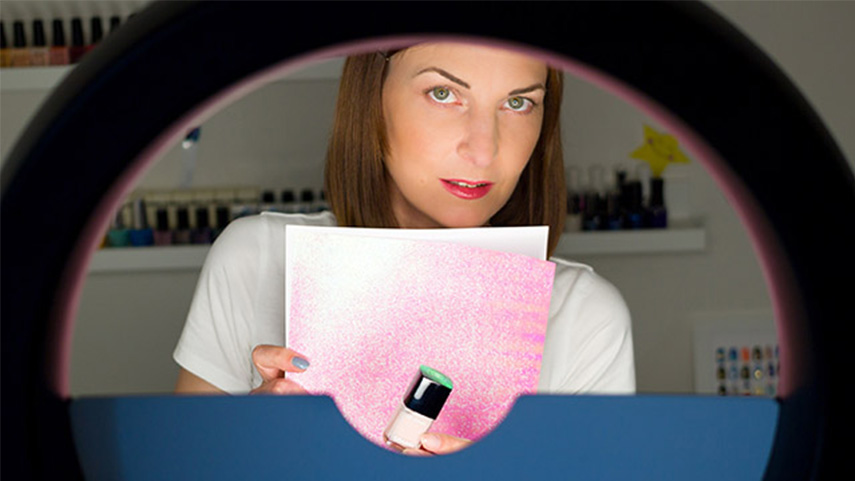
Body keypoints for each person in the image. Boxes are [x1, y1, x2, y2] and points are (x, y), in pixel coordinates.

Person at [173, 41, 635, 456]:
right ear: (372, 97)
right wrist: (248, 441)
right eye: (443, 93)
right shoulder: (255, 259)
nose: (483, 150)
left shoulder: (585, 315)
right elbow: (179, 465)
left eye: (518, 103)